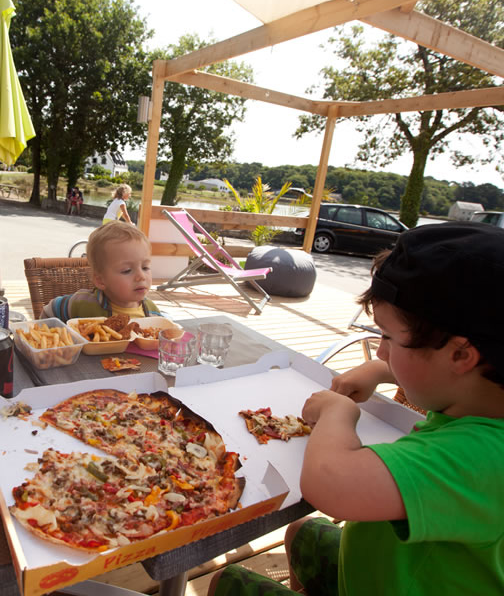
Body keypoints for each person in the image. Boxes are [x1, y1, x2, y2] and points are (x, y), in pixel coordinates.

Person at [209, 222, 504, 596]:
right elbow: (440, 374)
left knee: (229, 583)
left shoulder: (483, 460)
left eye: (388, 338)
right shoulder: (477, 398)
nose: (380, 350)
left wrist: (338, 413)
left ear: (460, 355)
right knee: (302, 531)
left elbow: (330, 484)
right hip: (378, 570)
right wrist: (384, 369)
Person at [41, 222, 161, 321]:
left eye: (145, 267)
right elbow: (50, 310)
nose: (141, 276)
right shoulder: (84, 303)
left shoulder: (152, 312)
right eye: (127, 270)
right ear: (100, 280)